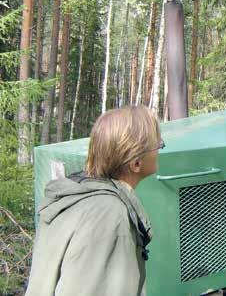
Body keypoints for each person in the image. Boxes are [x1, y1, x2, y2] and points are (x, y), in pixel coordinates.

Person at [26, 105, 164, 295]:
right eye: (158, 145)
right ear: (136, 163)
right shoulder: (108, 214)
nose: (159, 149)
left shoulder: (76, 194)